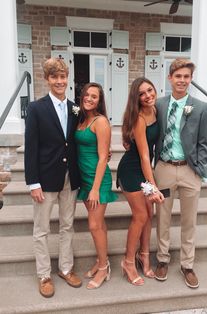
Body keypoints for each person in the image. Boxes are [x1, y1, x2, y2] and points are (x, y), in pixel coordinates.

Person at [24, 58, 82, 298]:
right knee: (42, 229)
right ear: (47, 79)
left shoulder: (75, 108)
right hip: (45, 178)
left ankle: (65, 268)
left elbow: (77, 140)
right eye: (54, 77)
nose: (60, 81)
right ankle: (44, 274)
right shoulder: (36, 108)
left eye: (63, 77)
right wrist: (33, 182)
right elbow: (31, 148)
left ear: (67, 78)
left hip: (70, 178)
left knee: (67, 226)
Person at [154, 58, 207, 289]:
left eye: (186, 77)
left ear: (190, 79)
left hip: (189, 171)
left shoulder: (201, 107)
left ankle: (187, 264)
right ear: (170, 78)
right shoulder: (158, 105)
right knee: (163, 218)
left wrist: (202, 171)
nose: (182, 81)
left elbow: (204, 142)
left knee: (189, 221)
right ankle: (162, 259)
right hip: (164, 169)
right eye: (178, 76)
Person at [117, 77, 164, 286]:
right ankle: (128, 261)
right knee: (141, 215)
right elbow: (145, 156)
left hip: (144, 169)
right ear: (136, 98)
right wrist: (153, 186)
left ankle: (144, 256)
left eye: (150, 90)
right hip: (131, 171)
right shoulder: (139, 119)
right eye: (142, 94)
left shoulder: (156, 110)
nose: (147, 96)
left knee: (149, 214)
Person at [74, 82, 117, 290]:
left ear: (100, 101)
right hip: (83, 178)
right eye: (87, 95)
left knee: (94, 225)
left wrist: (95, 188)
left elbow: (103, 157)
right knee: (98, 225)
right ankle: (101, 260)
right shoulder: (82, 119)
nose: (89, 99)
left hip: (96, 180)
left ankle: (103, 267)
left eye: (95, 97)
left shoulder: (100, 122)